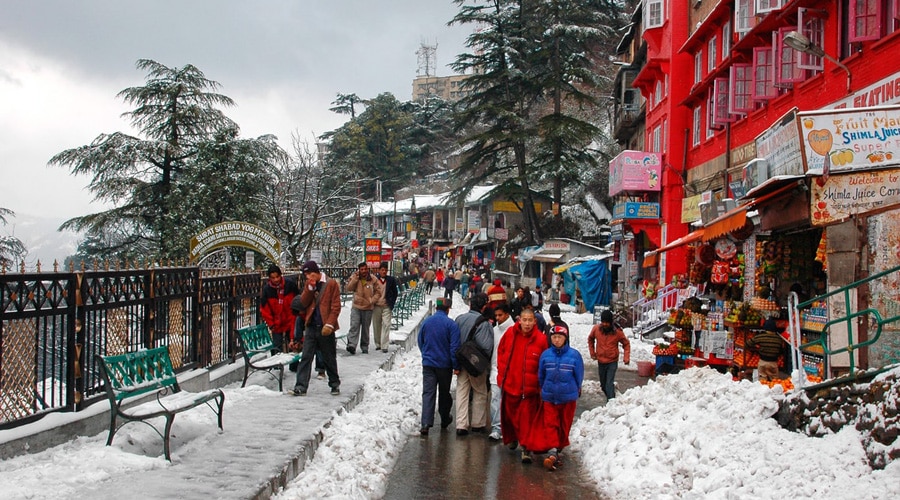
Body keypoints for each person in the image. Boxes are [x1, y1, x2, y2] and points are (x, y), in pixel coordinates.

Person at [496, 308, 548, 463]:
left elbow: (544, 362)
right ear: (519, 320)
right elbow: (501, 352)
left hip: (529, 388)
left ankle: (526, 448)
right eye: (524, 320)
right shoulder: (510, 334)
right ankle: (512, 438)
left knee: (526, 419)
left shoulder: (540, 339)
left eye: (529, 320)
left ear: (534, 321)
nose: (526, 324)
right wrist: (501, 372)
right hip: (511, 383)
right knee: (510, 415)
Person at [534, 324, 584, 471]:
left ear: (565, 339)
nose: (556, 340)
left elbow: (579, 375)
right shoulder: (546, 355)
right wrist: (544, 389)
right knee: (551, 423)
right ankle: (552, 450)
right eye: (554, 337)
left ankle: (559, 446)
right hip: (549, 396)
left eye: (559, 337)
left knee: (564, 424)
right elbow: (541, 375)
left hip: (568, 398)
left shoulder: (574, 355)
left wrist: (576, 389)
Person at [289, 260, 342, 396]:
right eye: (306, 275)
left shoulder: (331, 284)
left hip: (325, 327)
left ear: (316, 272)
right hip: (312, 325)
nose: (308, 278)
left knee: (328, 357)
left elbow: (335, 306)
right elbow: (304, 302)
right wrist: (310, 289)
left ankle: (334, 383)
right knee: (306, 356)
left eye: (310, 274)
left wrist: (330, 324)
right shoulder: (309, 284)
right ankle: (301, 386)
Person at [418, 297, 461, 436]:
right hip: (444, 365)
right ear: (448, 309)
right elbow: (454, 347)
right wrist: (456, 365)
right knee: (444, 392)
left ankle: (425, 423)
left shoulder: (426, 322)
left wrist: (425, 354)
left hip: (428, 364)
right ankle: (444, 418)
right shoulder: (451, 325)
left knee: (428, 393)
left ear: (436, 308)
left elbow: (420, 340)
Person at [454, 293, 494, 436]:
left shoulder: (459, 319)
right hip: (476, 364)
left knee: (462, 391)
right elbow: (487, 346)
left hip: (461, 361)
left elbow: (454, 341)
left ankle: (461, 424)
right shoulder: (484, 324)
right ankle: (477, 423)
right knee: (479, 391)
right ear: (483, 307)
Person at [587, 309, 630, 400]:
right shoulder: (596, 329)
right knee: (603, 385)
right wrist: (592, 352)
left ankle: (611, 403)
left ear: (611, 322)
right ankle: (612, 397)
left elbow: (626, 344)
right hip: (601, 361)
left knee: (609, 384)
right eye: (603, 322)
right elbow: (590, 339)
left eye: (607, 322)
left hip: (612, 361)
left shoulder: (617, 332)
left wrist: (626, 357)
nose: (605, 324)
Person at [260, 264, 300, 354]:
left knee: (293, 344)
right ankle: (277, 366)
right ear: (269, 278)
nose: (276, 280)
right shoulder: (267, 290)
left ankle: (294, 367)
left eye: (277, 277)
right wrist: (271, 324)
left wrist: (297, 317)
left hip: (290, 319)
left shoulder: (290, 285)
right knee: (277, 346)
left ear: (280, 275)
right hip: (276, 322)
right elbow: (265, 309)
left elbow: (297, 302)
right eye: (273, 278)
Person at [489, 303, 514, 442]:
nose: (497, 318)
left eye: (500, 315)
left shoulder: (514, 329)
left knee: (508, 401)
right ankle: (496, 427)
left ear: (507, 314)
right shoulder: (494, 331)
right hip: (496, 370)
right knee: (495, 399)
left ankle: (508, 428)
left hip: (511, 371)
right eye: (496, 315)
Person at [345, 262, 383, 354]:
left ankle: (364, 346)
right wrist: (355, 279)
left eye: (365, 269)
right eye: (361, 269)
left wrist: (372, 300)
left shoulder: (373, 279)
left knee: (365, 328)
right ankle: (352, 345)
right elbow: (349, 288)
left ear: (367, 269)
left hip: (368, 307)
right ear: (359, 270)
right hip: (356, 306)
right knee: (354, 325)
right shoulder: (355, 277)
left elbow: (379, 291)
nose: (363, 271)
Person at [373, 262, 399, 353]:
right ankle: (378, 344)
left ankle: (384, 345)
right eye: (382, 270)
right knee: (377, 325)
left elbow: (395, 292)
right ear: (379, 270)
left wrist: (391, 303)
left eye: (385, 270)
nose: (384, 272)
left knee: (386, 324)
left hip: (386, 306)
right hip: (376, 306)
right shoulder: (375, 280)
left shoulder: (391, 280)